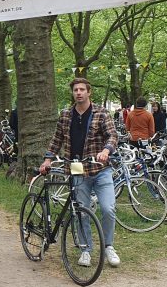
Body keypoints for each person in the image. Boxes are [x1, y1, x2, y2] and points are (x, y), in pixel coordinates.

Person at [39, 77, 121, 268]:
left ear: (89, 92)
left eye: (82, 89)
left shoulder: (101, 113)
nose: (78, 93)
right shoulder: (66, 115)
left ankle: (108, 246)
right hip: (76, 168)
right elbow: (57, 139)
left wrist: (106, 150)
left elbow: (112, 135)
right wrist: (48, 159)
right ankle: (85, 249)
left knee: (108, 209)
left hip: (100, 168)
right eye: (76, 90)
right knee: (80, 211)